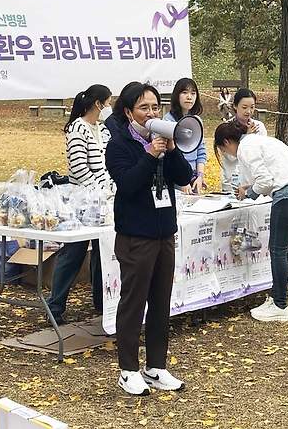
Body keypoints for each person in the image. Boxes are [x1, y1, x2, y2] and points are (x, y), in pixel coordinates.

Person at [105, 82, 193, 396]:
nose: (152, 113)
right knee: (133, 302)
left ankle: (156, 366)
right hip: (135, 235)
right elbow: (128, 184)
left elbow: (184, 177)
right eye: (144, 108)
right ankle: (128, 369)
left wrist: (172, 152)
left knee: (160, 301)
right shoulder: (119, 145)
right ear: (129, 112)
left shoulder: (165, 142)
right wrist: (149, 155)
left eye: (156, 107)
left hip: (164, 232)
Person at [214, 120, 288, 322]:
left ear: (226, 142)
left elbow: (266, 181)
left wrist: (249, 192)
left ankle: (280, 305)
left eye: (223, 150)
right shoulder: (259, 141)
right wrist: (250, 187)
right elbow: (270, 175)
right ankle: (276, 297)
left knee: (277, 250)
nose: (227, 154)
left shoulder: (245, 148)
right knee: (280, 249)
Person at [47, 84, 112, 325]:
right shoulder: (76, 129)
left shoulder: (103, 130)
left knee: (102, 250)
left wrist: (110, 189)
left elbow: (109, 162)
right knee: (74, 252)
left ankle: (101, 300)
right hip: (82, 200)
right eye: (108, 102)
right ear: (98, 104)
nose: (109, 107)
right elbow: (78, 167)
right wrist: (97, 190)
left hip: (105, 200)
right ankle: (55, 305)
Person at [220, 88, 267, 193]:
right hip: (231, 182)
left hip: (252, 184)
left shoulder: (259, 126)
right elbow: (230, 156)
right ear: (235, 106)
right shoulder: (226, 128)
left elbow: (263, 154)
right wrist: (247, 137)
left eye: (252, 107)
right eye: (244, 107)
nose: (248, 111)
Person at [164, 78, 206, 193]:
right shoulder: (168, 121)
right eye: (184, 92)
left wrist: (200, 176)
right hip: (176, 179)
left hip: (194, 177)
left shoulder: (197, 121)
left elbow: (201, 151)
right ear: (176, 95)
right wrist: (183, 180)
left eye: (193, 93)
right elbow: (168, 157)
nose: (189, 97)